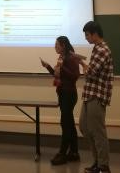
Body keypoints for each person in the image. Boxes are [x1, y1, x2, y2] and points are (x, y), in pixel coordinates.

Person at [79, 21, 114, 173]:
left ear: (95, 34)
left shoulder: (102, 50)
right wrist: (85, 65)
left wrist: (81, 63)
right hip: (89, 94)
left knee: (97, 131)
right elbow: (92, 71)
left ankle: (103, 166)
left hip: (97, 95)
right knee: (84, 127)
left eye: (87, 35)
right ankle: (97, 162)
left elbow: (91, 72)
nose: (86, 38)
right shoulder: (96, 48)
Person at [40, 36, 81, 165]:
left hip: (69, 94)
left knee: (65, 123)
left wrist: (62, 68)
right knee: (69, 123)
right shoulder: (62, 58)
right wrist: (48, 67)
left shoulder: (71, 57)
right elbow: (58, 75)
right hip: (63, 93)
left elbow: (75, 76)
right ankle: (74, 152)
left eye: (57, 45)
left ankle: (62, 154)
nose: (55, 47)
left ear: (63, 45)